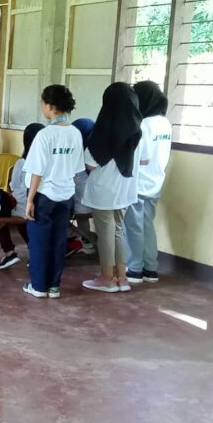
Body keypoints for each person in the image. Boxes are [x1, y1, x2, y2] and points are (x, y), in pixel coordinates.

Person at [21, 85, 85, 299]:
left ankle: (38, 286)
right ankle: (54, 286)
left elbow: (36, 172)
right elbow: (77, 171)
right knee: (58, 242)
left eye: (42, 103)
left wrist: (30, 200)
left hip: (44, 196)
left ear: (50, 106)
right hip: (66, 196)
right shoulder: (75, 133)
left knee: (39, 243)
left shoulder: (45, 135)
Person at [81, 82, 143, 293]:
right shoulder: (137, 131)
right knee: (118, 231)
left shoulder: (104, 129)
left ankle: (107, 278)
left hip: (104, 191)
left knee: (105, 232)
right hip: (125, 189)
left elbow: (89, 163)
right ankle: (122, 278)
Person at [124, 80, 172, 284]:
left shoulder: (142, 125)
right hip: (155, 182)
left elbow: (136, 157)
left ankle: (134, 269)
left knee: (133, 227)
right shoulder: (165, 123)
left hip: (137, 183)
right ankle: (150, 269)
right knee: (147, 225)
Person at [0, 123, 42, 269]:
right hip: (43, 204)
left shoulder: (21, 163)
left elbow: (14, 187)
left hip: (25, 205)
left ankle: (9, 252)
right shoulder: (47, 162)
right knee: (18, 214)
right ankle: (33, 251)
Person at [70, 118, 96, 252]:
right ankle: (86, 239)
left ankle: (84, 240)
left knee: (80, 213)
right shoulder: (96, 140)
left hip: (83, 179)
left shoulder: (82, 148)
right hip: (97, 188)